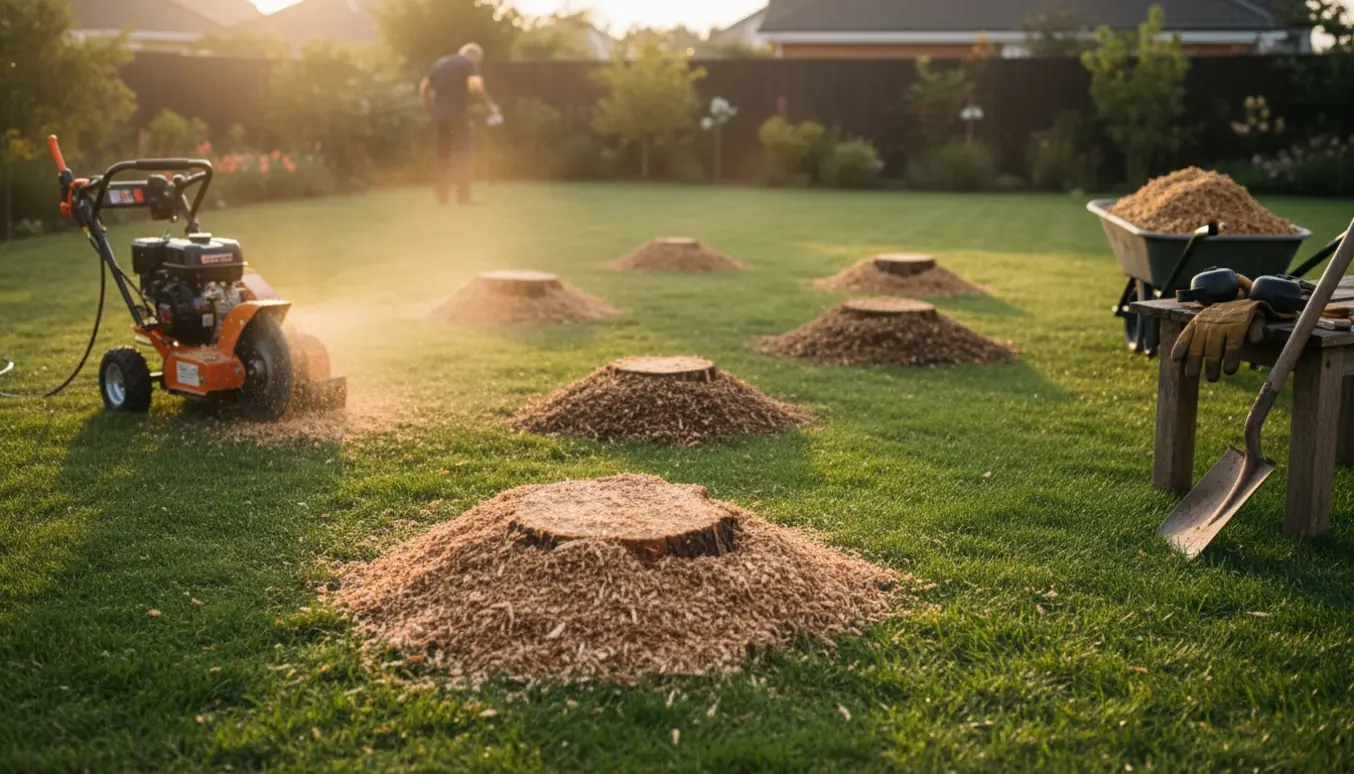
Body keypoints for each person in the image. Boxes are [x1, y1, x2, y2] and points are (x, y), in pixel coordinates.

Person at [420, 43, 500, 206]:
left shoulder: (441, 63)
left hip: (440, 116)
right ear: (475, 57)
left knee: (443, 155)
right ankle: (463, 197)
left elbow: (424, 88)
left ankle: (442, 197)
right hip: (458, 116)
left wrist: (430, 107)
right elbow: (476, 87)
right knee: (462, 155)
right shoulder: (468, 64)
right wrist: (489, 106)